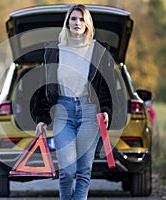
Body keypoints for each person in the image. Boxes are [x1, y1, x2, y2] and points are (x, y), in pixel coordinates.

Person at [31, 4, 116, 200]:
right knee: (67, 170)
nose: (77, 22)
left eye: (81, 19)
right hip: (63, 111)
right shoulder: (54, 51)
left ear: (87, 23)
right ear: (67, 22)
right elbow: (46, 86)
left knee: (84, 170)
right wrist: (42, 118)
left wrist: (106, 110)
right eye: (73, 18)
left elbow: (107, 85)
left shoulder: (98, 51)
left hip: (90, 113)